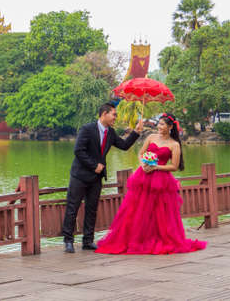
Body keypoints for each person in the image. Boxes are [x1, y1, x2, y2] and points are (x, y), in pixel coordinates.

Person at [95, 113, 207, 255]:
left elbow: (174, 166)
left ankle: (159, 238)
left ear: (170, 127)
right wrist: (143, 165)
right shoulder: (151, 137)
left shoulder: (174, 144)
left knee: (160, 212)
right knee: (139, 210)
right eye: (158, 124)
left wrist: (156, 167)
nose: (159, 127)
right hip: (143, 177)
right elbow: (141, 154)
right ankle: (137, 239)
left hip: (161, 181)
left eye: (162, 124)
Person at [62, 102, 143, 253]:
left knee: (92, 209)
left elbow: (124, 146)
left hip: (96, 178)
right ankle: (68, 241)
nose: (115, 118)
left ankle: (88, 241)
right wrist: (94, 165)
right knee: (72, 207)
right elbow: (78, 151)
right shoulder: (87, 129)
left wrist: (136, 132)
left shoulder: (110, 132)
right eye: (114, 114)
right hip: (80, 175)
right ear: (104, 114)